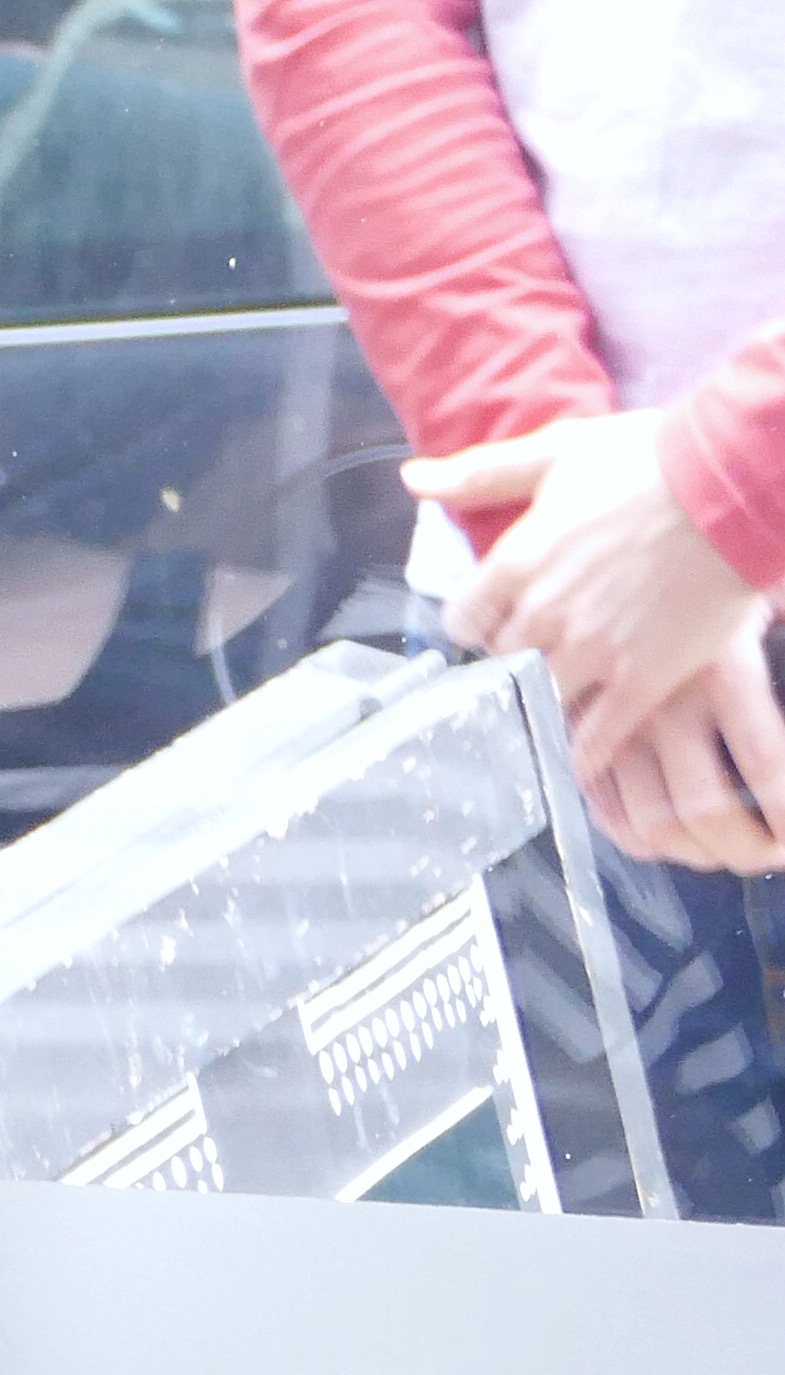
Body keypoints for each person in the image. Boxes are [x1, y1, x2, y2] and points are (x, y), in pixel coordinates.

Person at [239, 0, 785, 1219]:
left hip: (575, 615)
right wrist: (568, 517)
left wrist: (720, 496)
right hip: (553, 642)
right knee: (572, 1329)